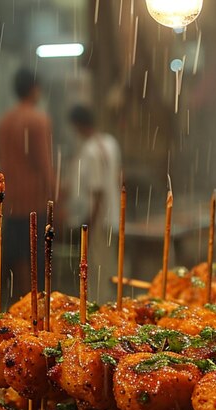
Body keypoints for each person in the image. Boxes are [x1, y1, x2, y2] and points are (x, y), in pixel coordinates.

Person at [0, 68, 54, 297]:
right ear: (34, 89)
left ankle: (21, 309)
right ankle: (37, 316)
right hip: (35, 205)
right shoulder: (37, 120)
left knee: (19, 261)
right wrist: (55, 199)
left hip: (11, 205)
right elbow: (44, 165)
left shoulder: (4, 122)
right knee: (38, 266)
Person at [68, 104, 121, 302]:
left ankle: (100, 313)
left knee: (97, 271)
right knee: (107, 267)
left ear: (79, 126)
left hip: (99, 220)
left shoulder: (90, 151)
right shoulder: (110, 142)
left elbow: (97, 192)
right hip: (112, 217)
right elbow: (117, 178)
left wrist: (88, 226)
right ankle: (108, 307)